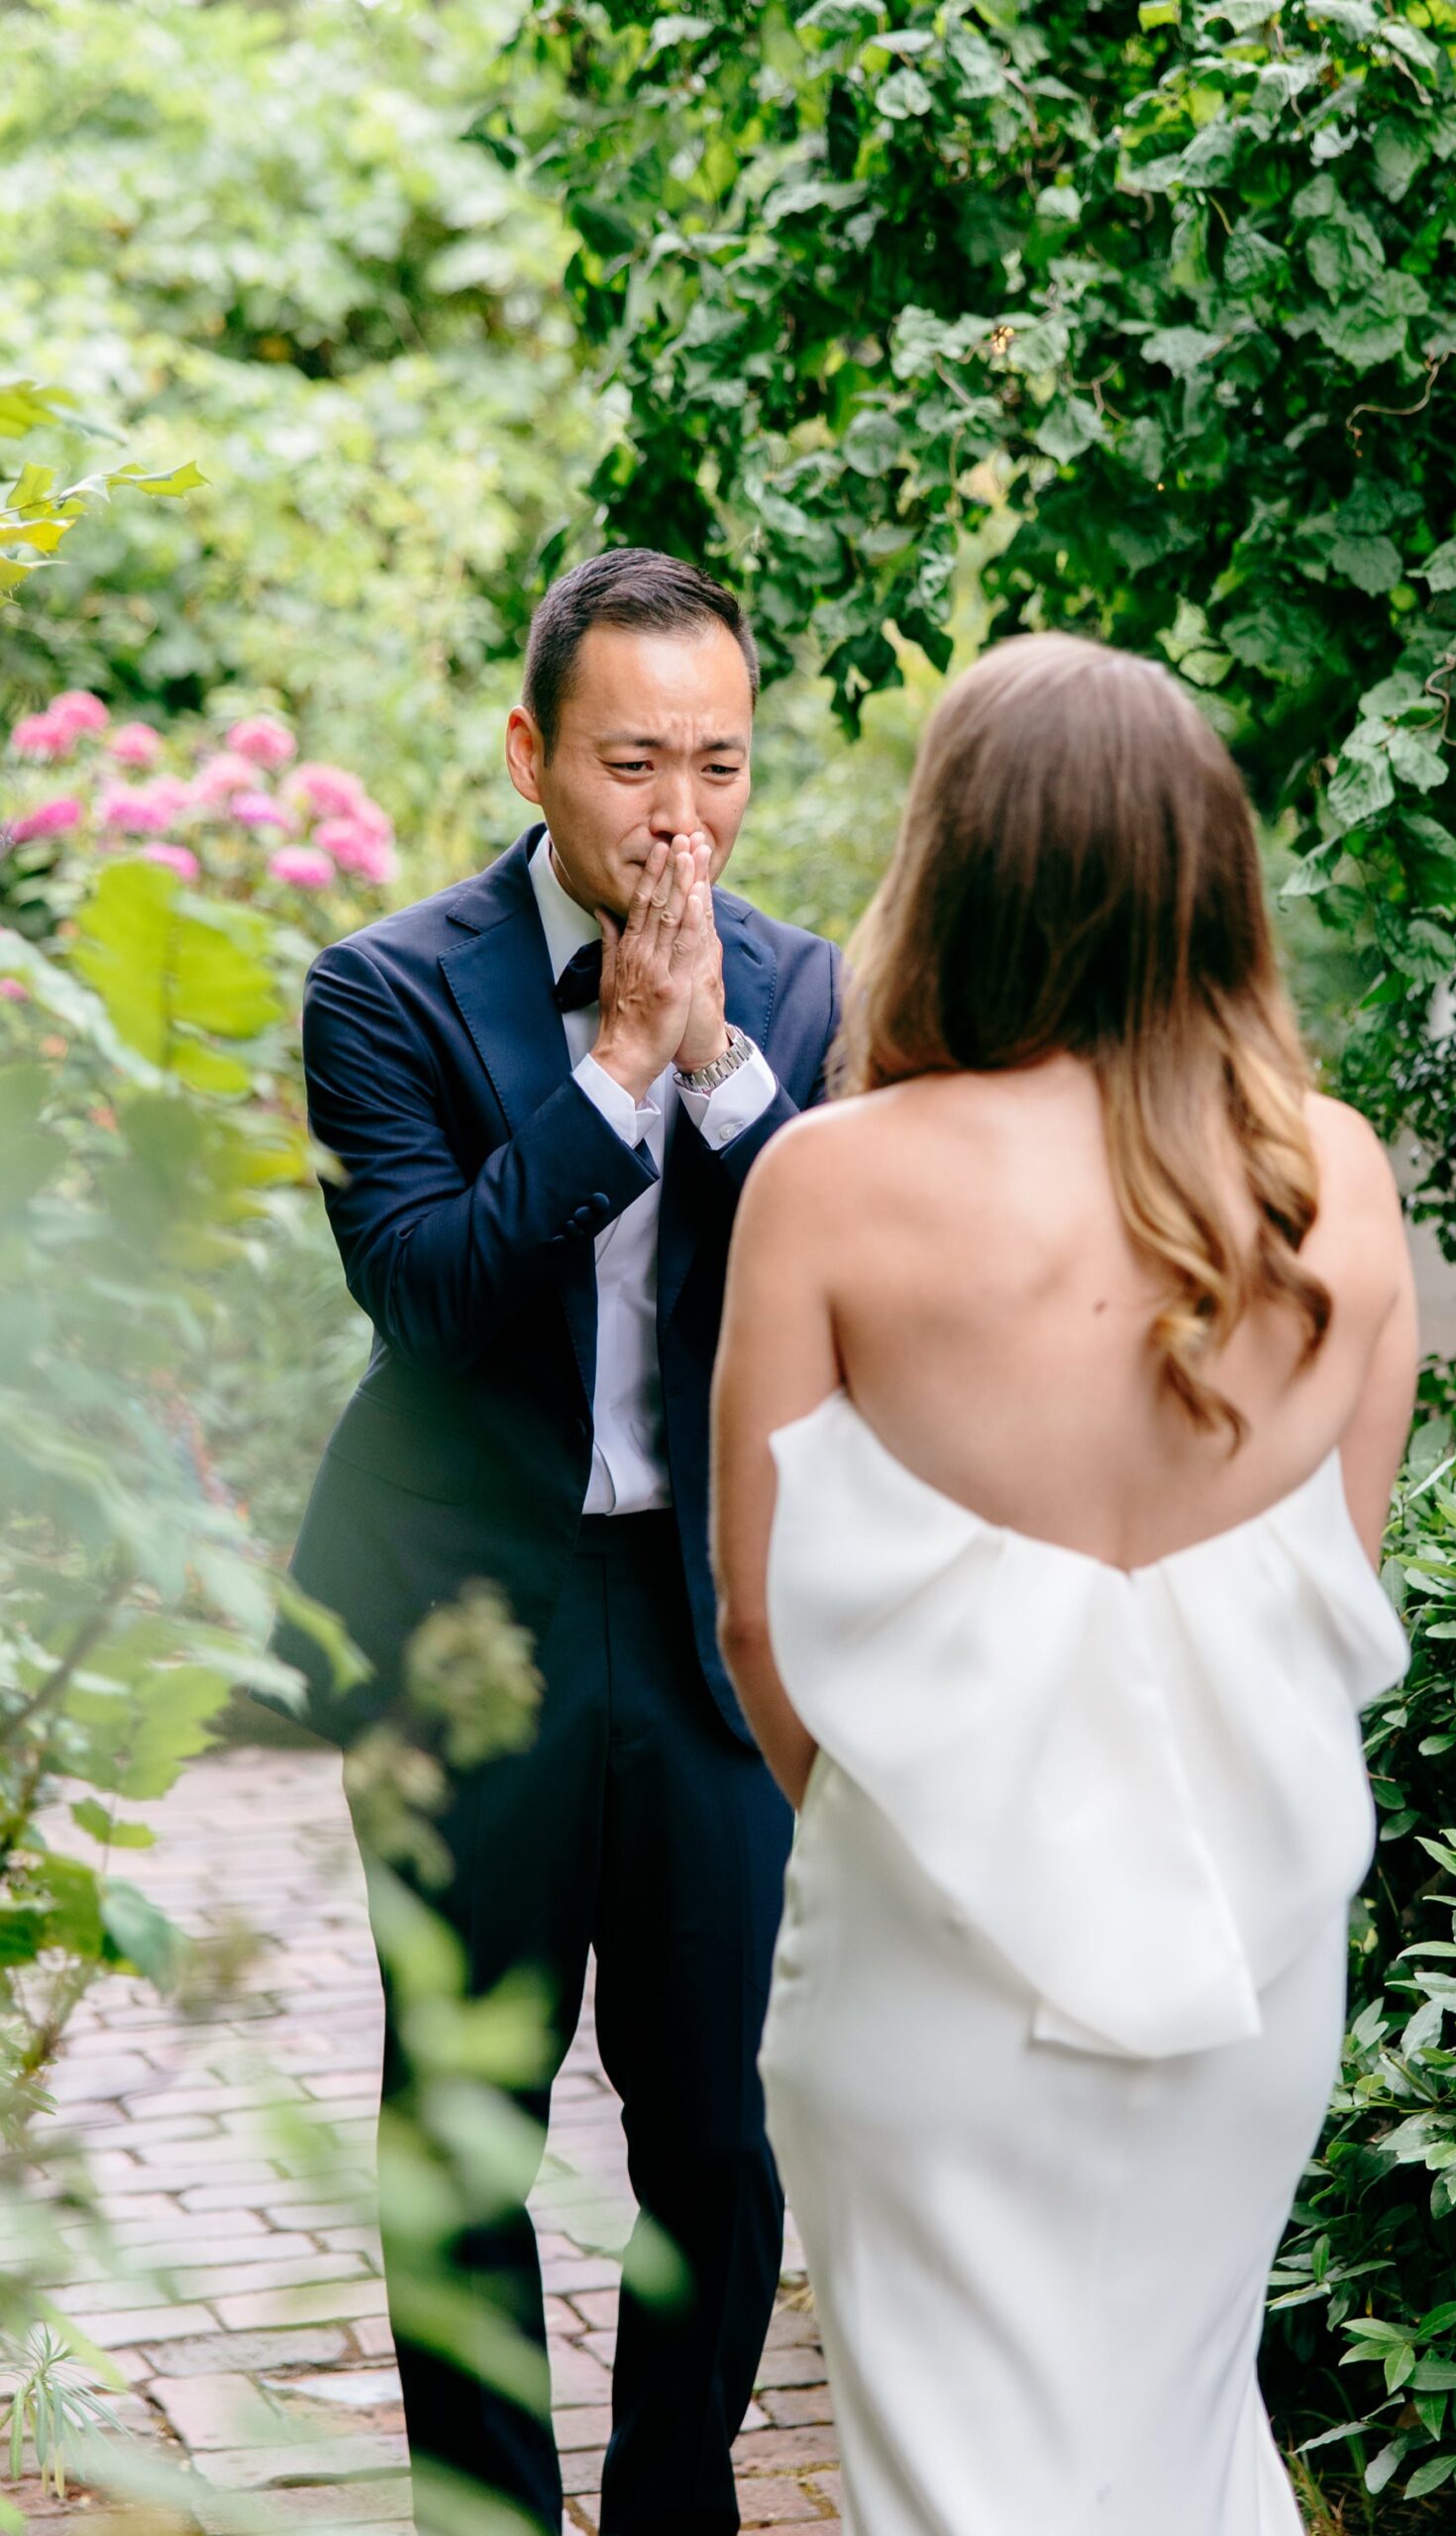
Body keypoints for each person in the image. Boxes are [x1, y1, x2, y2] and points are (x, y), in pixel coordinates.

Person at [710, 633, 1416, 2535]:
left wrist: (906, 1820)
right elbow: (1323, 1604)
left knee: (955, 2486)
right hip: (1244, 1957)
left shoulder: (831, 1182)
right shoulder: (1337, 1181)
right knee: (1189, 2452)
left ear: (952, 861)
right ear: (1209, 870)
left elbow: (758, 1622)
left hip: (920, 1960)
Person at [280, 550, 841, 2536]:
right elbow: (426, 1287)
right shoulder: (381, 990)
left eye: (719, 766)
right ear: (532, 754)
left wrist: (707, 1062)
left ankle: (672, 2502)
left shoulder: (792, 986)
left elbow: (840, 1264)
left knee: (720, 2129)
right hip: (458, 1624)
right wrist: (610, 1063)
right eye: (631, 763)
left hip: (704, 1622)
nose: (678, 816)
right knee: (463, 2120)